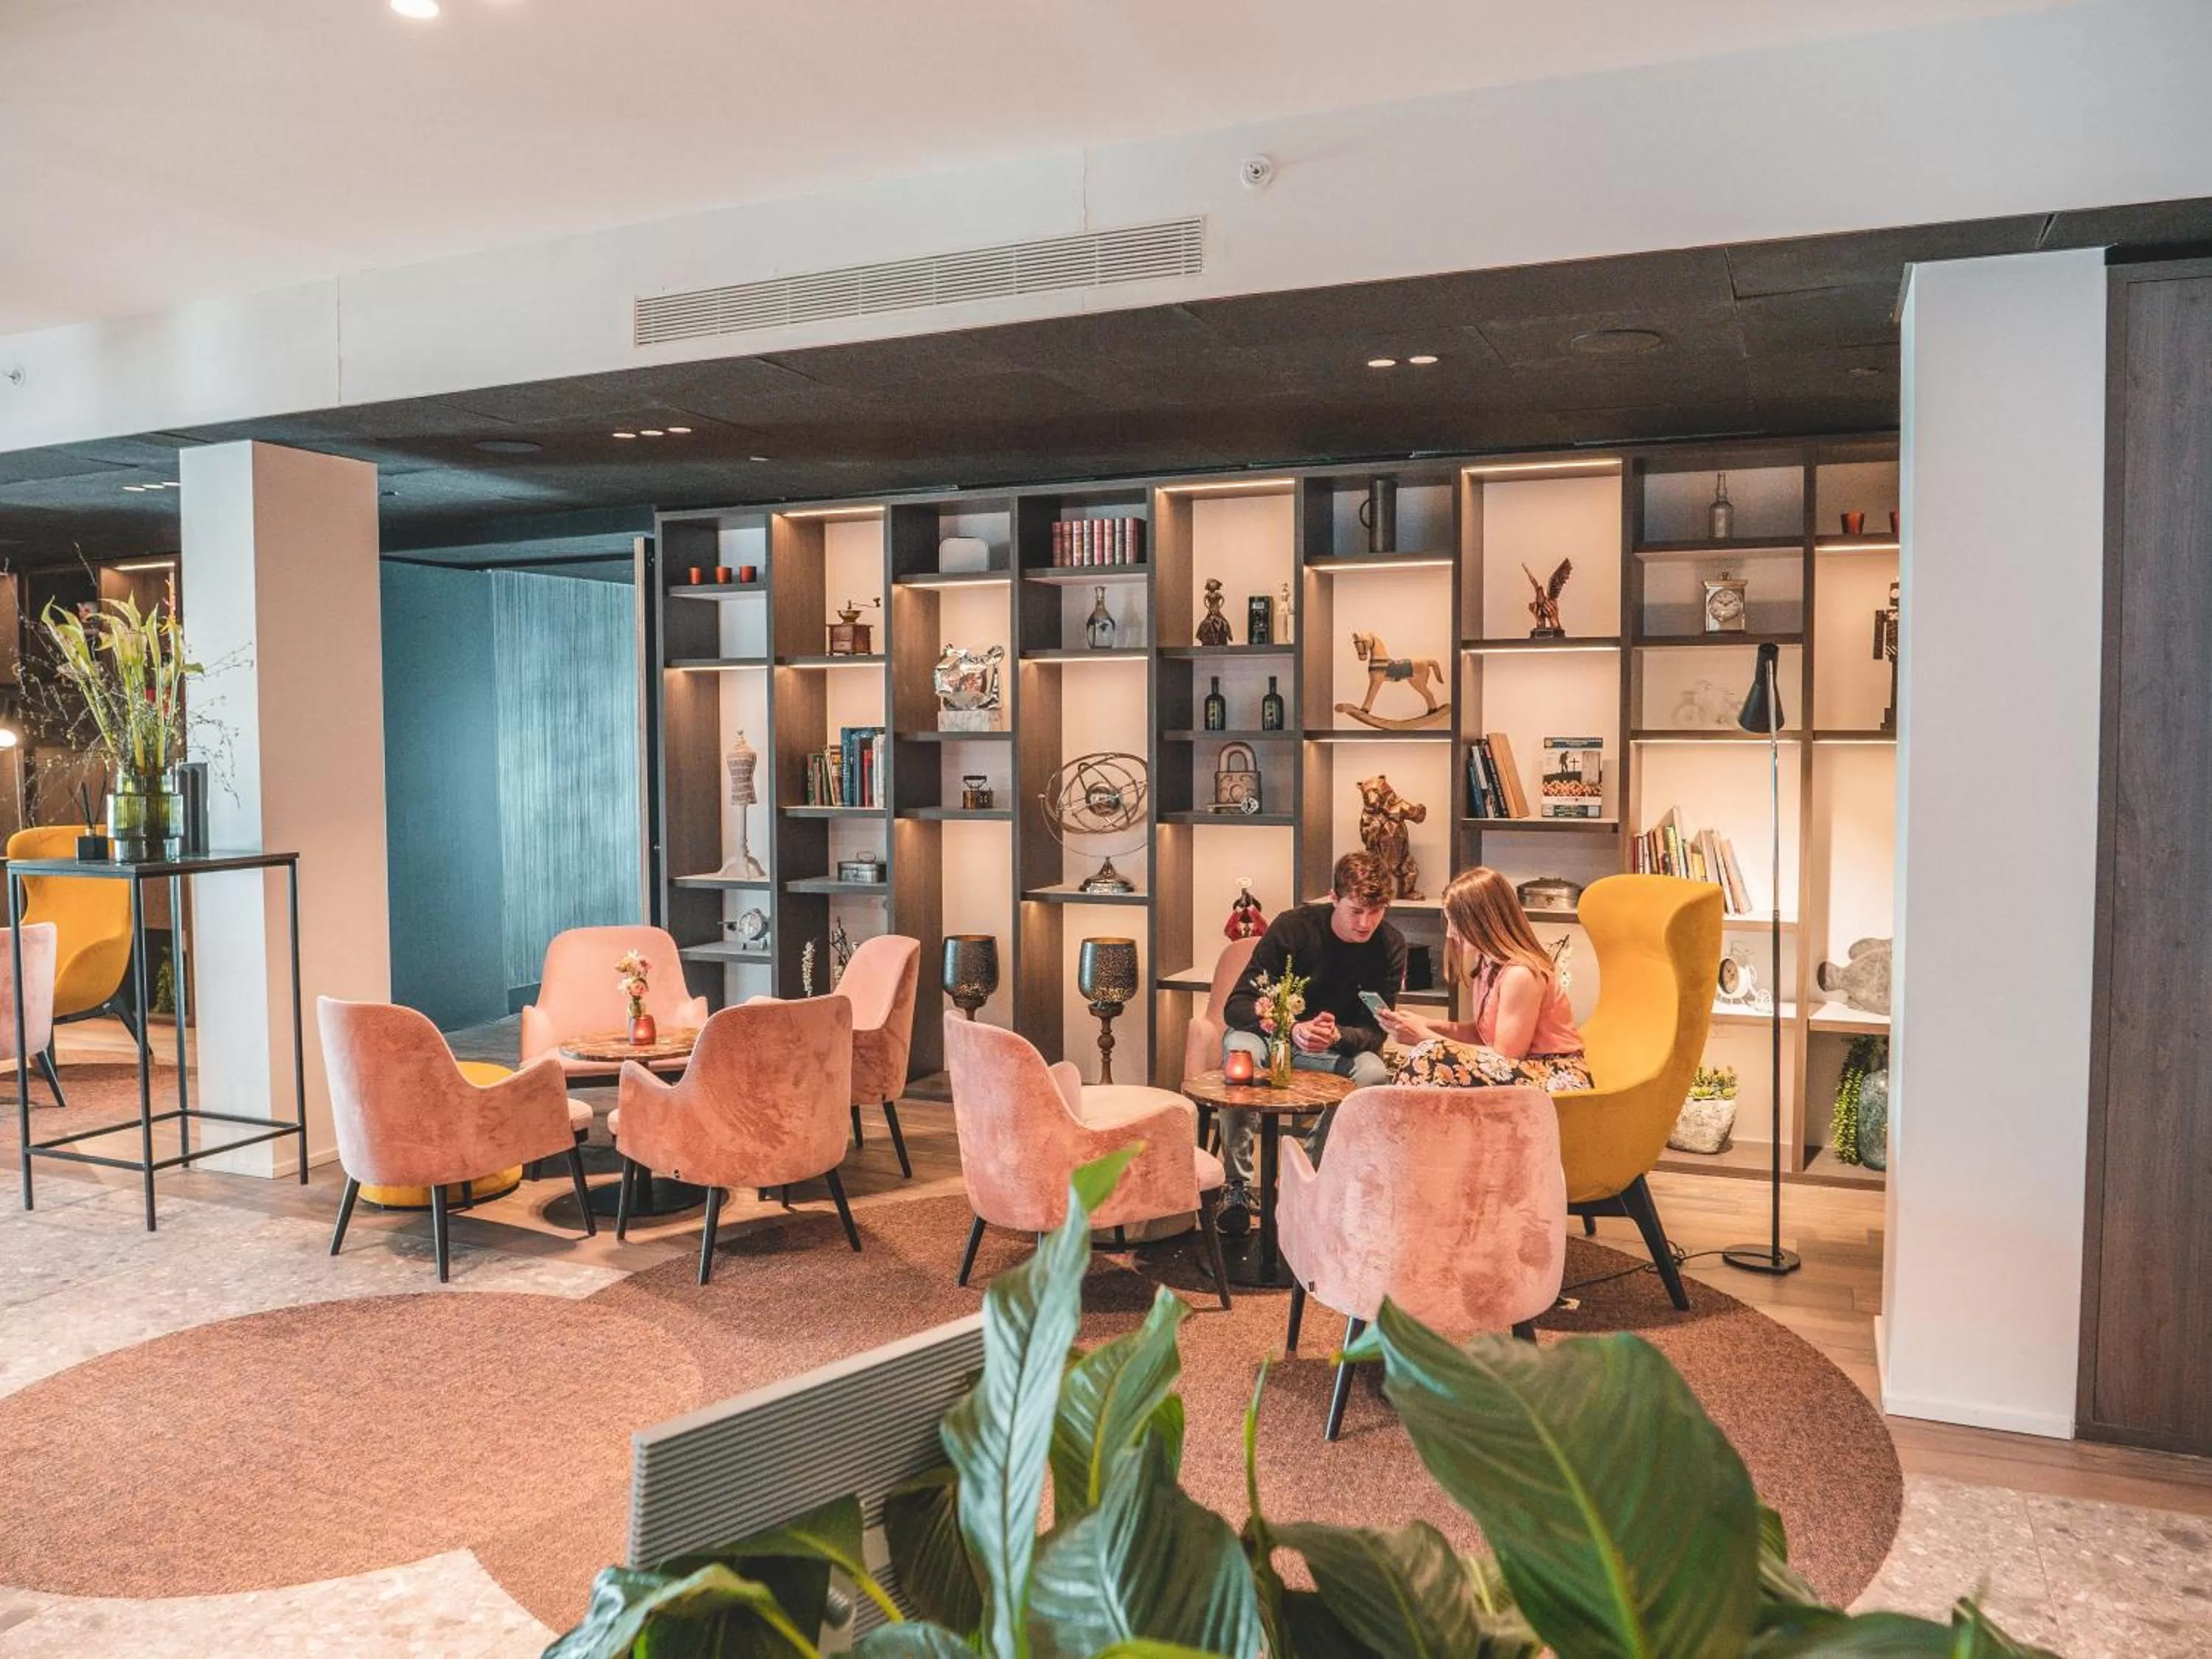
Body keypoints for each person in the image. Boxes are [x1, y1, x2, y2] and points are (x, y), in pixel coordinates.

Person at [1217, 851, 1405, 1227]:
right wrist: (1289, 1025)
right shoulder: (1293, 928)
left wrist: (1337, 1035)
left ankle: (1305, 1178)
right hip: (1275, 1042)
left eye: (1376, 911)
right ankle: (1236, 1184)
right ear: (1333, 898)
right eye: (1356, 911)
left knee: (1372, 1072)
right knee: (1241, 1048)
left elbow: (1376, 1031)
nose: (1365, 923)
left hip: (1333, 1050)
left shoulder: (1390, 945)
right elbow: (1236, 1007)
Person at [1372, 866, 1593, 1093]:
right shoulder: (1486, 966)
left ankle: (1398, 1123)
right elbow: (1484, 1035)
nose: (1450, 933)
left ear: (1482, 922)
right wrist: (1427, 1024)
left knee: (1429, 1056)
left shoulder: (1520, 975)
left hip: (1552, 1074)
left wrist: (1424, 1037)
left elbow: (1507, 1057)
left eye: (1456, 923)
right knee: (1429, 1056)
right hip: (1520, 1069)